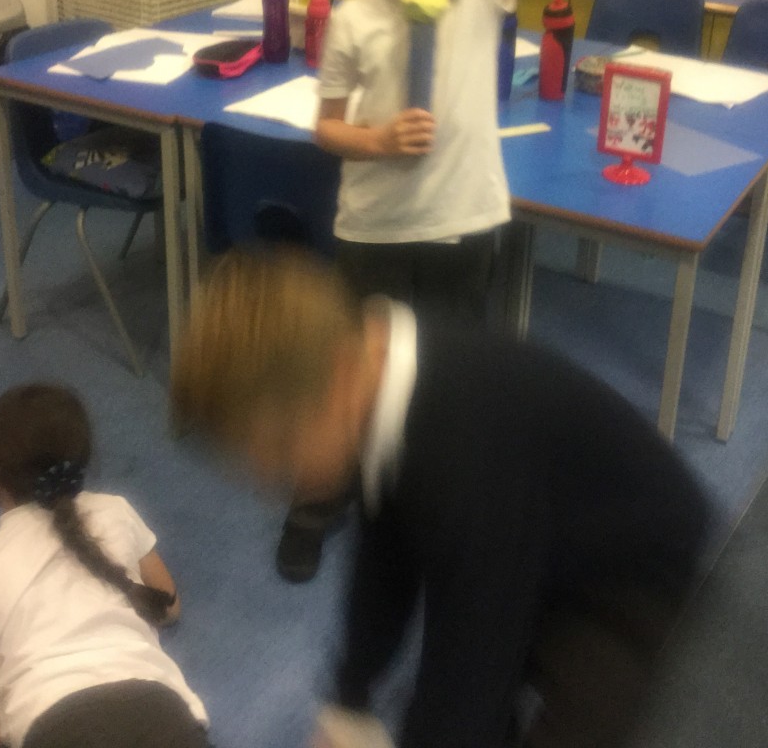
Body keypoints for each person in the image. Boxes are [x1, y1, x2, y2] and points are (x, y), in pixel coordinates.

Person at [275, 0, 569, 584]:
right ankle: (320, 500)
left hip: (459, 226)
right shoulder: (358, 18)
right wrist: (375, 141)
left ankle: (437, 507)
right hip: (372, 228)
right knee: (350, 371)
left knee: (446, 378)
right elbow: (326, 128)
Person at [172, 248, 712, 748]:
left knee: (526, 706)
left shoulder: (462, 451)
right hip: (530, 531)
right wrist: (350, 697)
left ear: (342, 374)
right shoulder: (381, 373)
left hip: (629, 570)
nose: (280, 491)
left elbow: (473, 659)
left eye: (286, 455)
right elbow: (388, 560)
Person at [0, 384, 211, 748]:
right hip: (161, 710)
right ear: (80, 465)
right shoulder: (116, 511)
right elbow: (168, 606)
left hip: (56, 727)